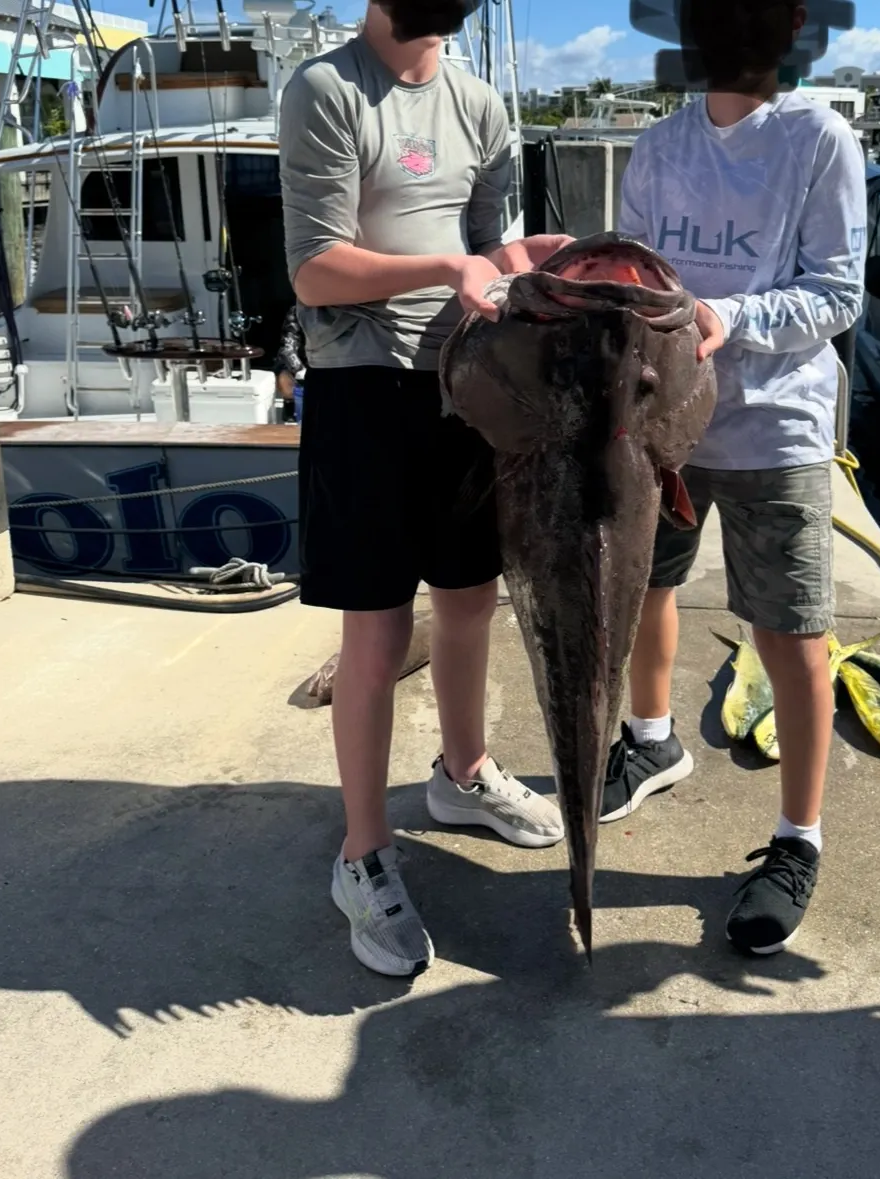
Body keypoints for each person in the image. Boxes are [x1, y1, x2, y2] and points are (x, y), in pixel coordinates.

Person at [279, 0, 574, 979]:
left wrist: (531, 264)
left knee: (470, 599)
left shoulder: (481, 105)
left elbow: (490, 250)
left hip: (466, 386)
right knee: (376, 631)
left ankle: (463, 771)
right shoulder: (327, 89)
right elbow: (316, 271)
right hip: (363, 387)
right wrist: (450, 265)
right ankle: (362, 854)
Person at [602, 0, 867, 955]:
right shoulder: (656, 147)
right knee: (645, 589)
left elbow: (837, 293)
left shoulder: (820, 139)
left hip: (777, 429)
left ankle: (798, 839)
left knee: (792, 633)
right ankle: (649, 740)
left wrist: (728, 317)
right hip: (665, 427)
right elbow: (631, 277)